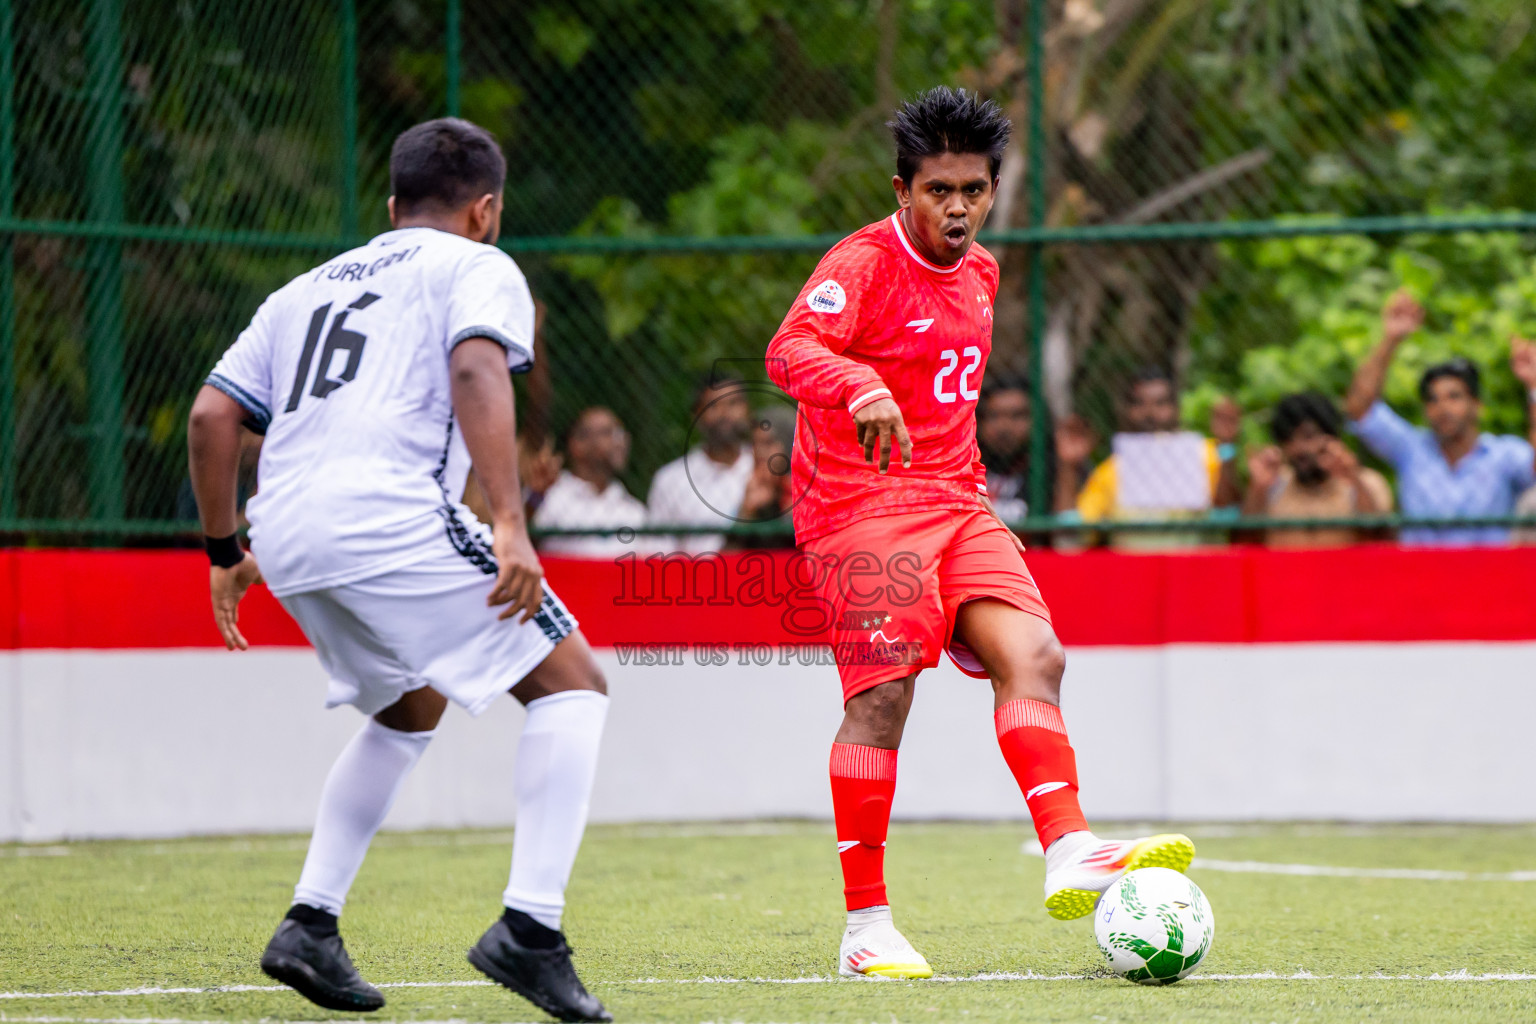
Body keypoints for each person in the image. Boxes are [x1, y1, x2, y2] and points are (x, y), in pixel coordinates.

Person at [764, 86, 1193, 981]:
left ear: (992, 189)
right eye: (937, 191)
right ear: (902, 189)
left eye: (973, 189)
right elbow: (788, 351)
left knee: (1037, 655)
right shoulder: (866, 263)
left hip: (958, 505)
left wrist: (968, 500)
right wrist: (858, 384)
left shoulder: (985, 273)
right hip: (857, 511)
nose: (956, 207)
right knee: (883, 701)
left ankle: (1069, 846)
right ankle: (866, 928)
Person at [188, 118, 611, 1023]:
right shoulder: (477, 265)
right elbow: (474, 367)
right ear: (485, 210)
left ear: (391, 206)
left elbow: (212, 417)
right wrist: (508, 520)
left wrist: (226, 552)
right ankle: (531, 933)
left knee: (408, 709)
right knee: (574, 685)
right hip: (388, 515)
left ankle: (309, 924)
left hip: (289, 535)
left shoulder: (301, 291)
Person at [1345, 290, 1536, 546]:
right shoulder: (1410, 449)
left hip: (1488, 582)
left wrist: (1534, 388)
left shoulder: (1504, 454)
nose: (1442, 407)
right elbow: (1359, 408)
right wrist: (1390, 339)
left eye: (1454, 397)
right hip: (1420, 581)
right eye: (1433, 400)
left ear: (1477, 405)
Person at [1068, 368, 1241, 549]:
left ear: (1176, 409)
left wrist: (1227, 446)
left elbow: (1226, 513)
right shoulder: (1110, 470)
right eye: (1139, 403)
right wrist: (1069, 466)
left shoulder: (1205, 454)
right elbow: (1074, 536)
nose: (1149, 412)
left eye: (1160, 403)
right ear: (1127, 410)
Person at [1242, 392, 1393, 547]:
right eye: (1288, 439)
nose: (1298, 448)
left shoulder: (1367, 482)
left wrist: (1354, 480)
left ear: (1331, 437)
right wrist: (1257, 489)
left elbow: (1380, 544)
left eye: (1308, 436)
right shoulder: (1272, 485)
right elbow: (1245, 547)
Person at [645, 374, 755, 553]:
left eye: (733, 403)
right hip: (693, 579)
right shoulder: (671, 480)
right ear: (696, 415)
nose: (724, 413)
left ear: (747, 409)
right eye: (713, 405)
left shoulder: (765, 470)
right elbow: (659, 552)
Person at [534, 406, 648, 558]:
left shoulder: (633, 510)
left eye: (621, 434)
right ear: (577, 445)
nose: (621, 442)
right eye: (609, 433)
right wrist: (535, 496)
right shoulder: (549, 496)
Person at [975, 375, 1087, 525]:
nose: (1004, 427)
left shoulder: (1053, 467)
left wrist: (1067, 467)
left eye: (1017, 416)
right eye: (994, 416)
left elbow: (1068, 540)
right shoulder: (964, 466)